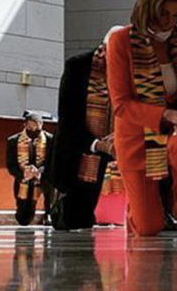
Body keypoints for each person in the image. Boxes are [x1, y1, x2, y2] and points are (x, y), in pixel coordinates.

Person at [106, 0, 177, 237]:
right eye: (164, 14)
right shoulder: (121, 41)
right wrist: (169, 115)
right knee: (148, 227)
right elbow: (121, 104)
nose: (169, 23)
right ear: (147, 7)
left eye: (176, 16)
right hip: (137, 137)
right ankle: (140, 212)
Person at [51, 28, 120, 231]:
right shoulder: (78, 67)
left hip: (112, 158)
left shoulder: (130, 71)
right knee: (75, 220)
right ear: (106, 48)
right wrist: (99, 145)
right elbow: (68, 122)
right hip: (79, 158)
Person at [7, 111, 54, 226]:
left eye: (37, 129)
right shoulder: (13, 141)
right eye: (30, 128)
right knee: (23, 218)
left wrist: (38, 172)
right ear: (25, 126)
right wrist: (23, 174)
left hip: (43, 175)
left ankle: (49, 213)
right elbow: (10, 164)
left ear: (42, 125)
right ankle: (24, 214)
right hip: (23, 176)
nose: (33, 131)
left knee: (50, 187)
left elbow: (51, 161)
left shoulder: (50, 139)